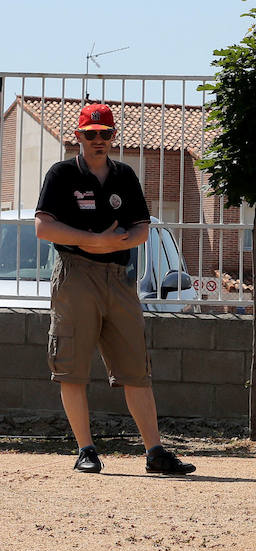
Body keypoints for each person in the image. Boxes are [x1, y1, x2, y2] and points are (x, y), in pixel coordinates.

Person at [35, 103, 195, 475]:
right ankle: (86, 450)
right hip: (76, 275)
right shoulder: (61, 174)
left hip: (120, 280)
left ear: (113, 137)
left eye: (105, 133)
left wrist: (112, 245)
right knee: (71, 367)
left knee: (136, 368)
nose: (98, 140)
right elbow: (44, 228)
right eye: (90, 134)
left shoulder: (125, 175)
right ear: (78, 137)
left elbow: (142, 228)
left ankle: (155, 453)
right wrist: (92, 240)